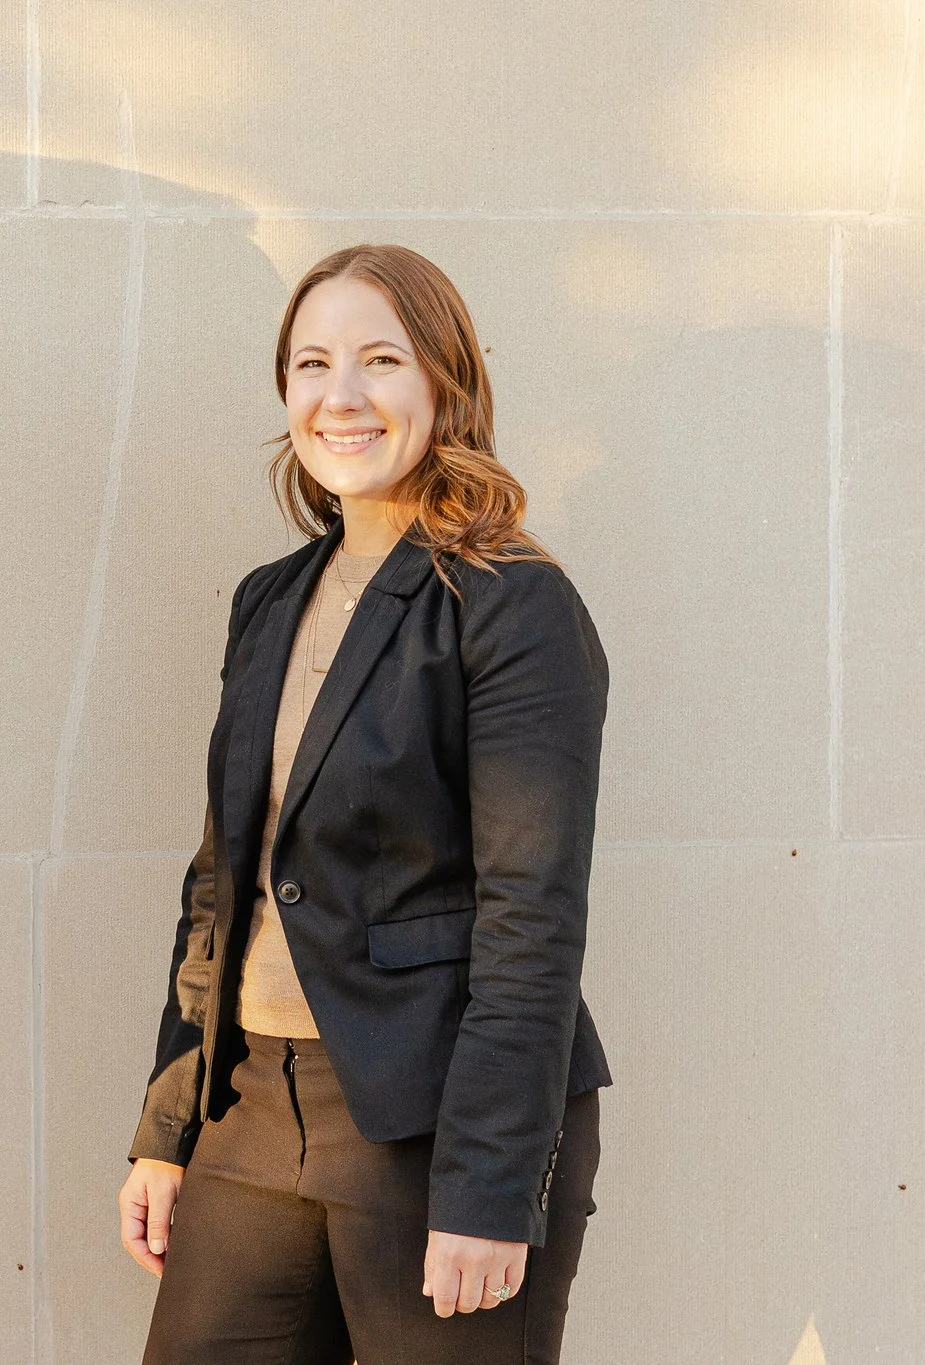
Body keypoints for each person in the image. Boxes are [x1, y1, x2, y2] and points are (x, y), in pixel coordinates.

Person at [117, 244, 612, 1364]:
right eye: (311, 364)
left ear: (444, 382)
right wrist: (169, 1124)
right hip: (251, 1106)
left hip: (434, 1118)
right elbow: (220, 883)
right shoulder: (269, 600)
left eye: (379, 360)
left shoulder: (511, 604)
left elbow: (531, 918)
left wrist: (488, 1185)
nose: (339, 396)